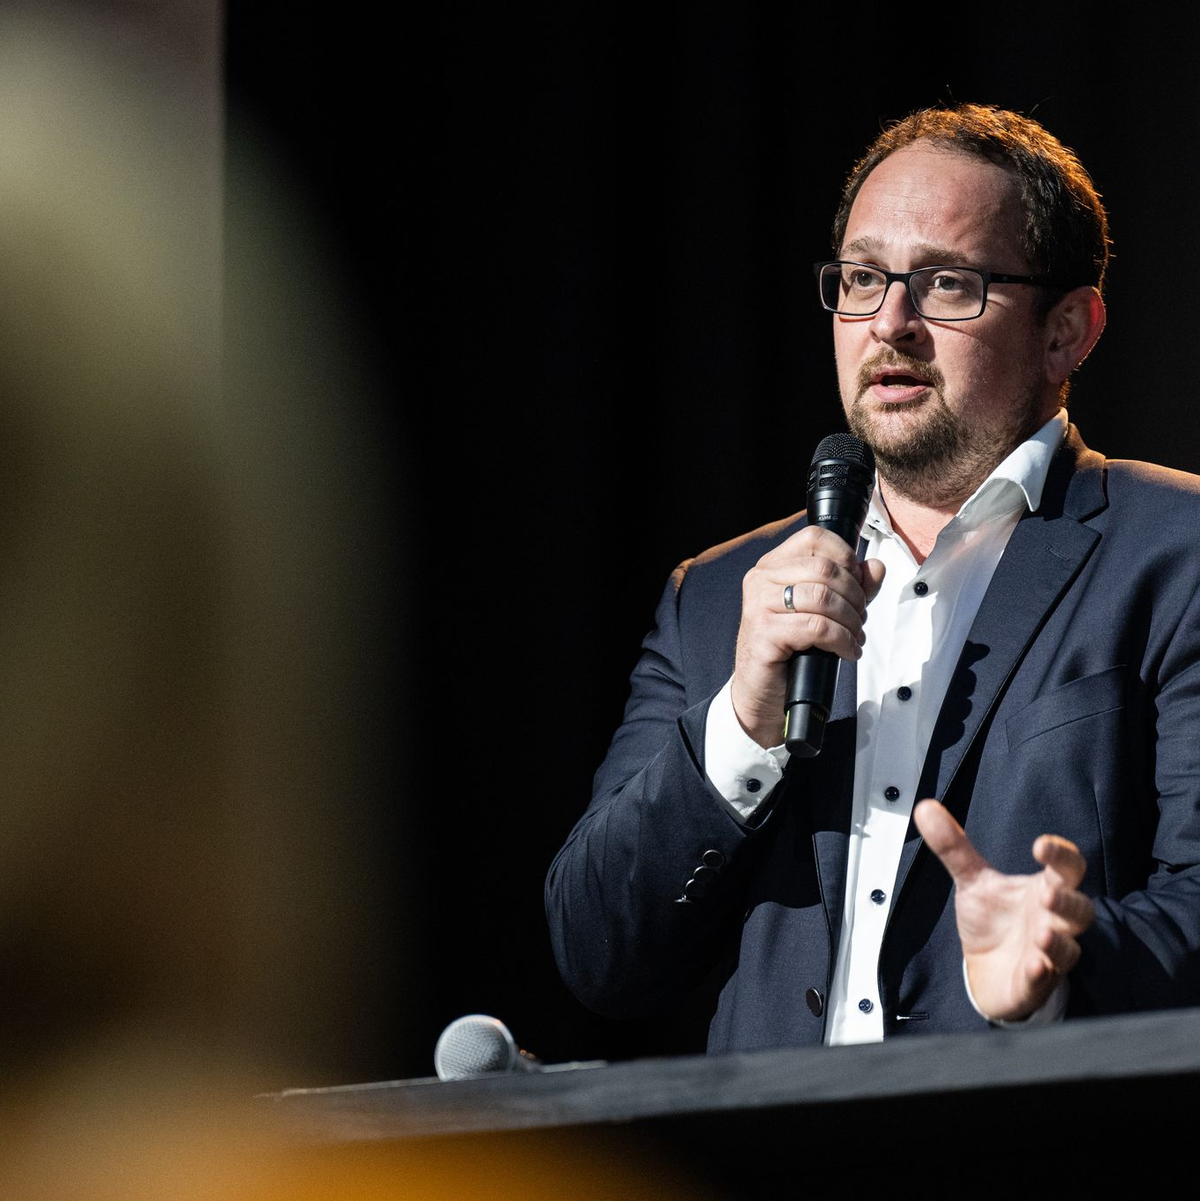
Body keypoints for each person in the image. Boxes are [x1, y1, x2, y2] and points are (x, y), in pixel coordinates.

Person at [544, 103, 1200, 1051]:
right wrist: (741, 724)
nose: (889, 324)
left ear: (1066, 331)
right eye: (862, 279)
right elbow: (598, 952)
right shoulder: (720, 597)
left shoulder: (1174, 553)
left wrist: (1071, 960)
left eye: (945, 283)